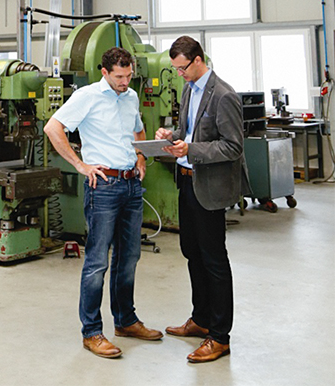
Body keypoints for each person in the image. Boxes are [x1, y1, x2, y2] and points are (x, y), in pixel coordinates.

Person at [44, 46, 163, 358]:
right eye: (119, 77)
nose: (125, 82)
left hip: (131, 186)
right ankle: (92, 332)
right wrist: (80, 165)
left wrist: (140, 156)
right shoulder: (87, 96)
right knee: (97, 261)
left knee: (129, 257)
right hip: (104, 187)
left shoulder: (131, 96)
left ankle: (125, 321)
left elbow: (138, 130)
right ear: (105, 72)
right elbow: (53, 128)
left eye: (129, 76)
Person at [156, 36, 248, 364]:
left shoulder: (223, 95)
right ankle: (201, 318)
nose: (179, 74)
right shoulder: (189, 90)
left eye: (182, 68)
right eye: (176, 69)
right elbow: (189, 131)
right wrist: (171, 136)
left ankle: (220, 336)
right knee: (192, 253)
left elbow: (233, 146)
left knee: (214, 260)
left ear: (198, 60)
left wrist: (191, 149)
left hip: (209, 188)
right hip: (186, 181)